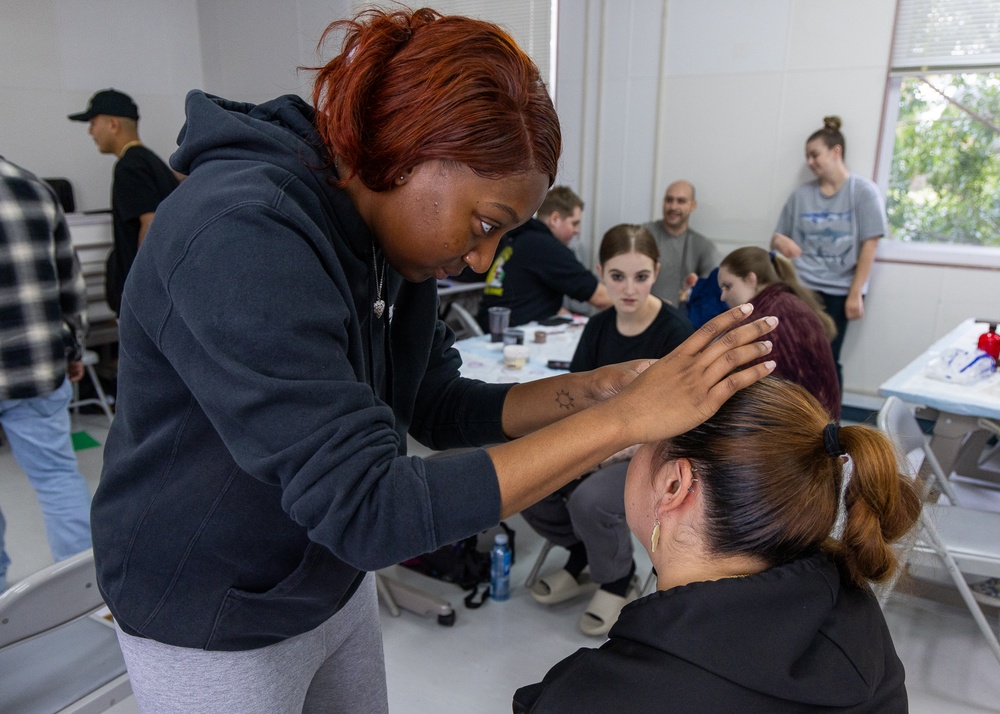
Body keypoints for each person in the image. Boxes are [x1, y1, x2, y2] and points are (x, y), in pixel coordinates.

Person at [89, 9, 776, 712]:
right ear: (408, 152)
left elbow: (437, 401)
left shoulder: (391, 248)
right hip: (211, 609)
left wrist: (601, 391)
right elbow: (367, 506)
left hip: (325, 578)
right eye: (484, 225)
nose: (480, 258)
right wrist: (628, 419)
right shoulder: (237, 233)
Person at [514, 377, 921, 713]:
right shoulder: (854, 608)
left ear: (674, 484)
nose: (629, 455)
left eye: (642, 443)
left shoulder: (595, 695)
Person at [523, 224, 694, 636]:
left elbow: (682, 421)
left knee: (590, 501)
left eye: (641, 277)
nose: (629, 289)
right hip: (602, 439)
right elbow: (579, 394)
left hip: (657, 450)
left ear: (656, 270)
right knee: (531, 482)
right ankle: (583, 555)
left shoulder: (675, 332)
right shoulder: (598, 327)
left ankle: (617, 578)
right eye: (617, 277)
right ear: (600, 271)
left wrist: (606, 453)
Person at [0, 155, 93, 591]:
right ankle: (84, 595)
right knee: (57, 477)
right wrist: (73, 346)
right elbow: (69, 283)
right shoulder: (32, 187)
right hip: (36, 364)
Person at [771, 116, 888, 388]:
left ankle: (830, 424)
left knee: (828, 358)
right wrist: (781, 243)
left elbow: (871, 243)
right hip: (803, 287)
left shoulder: (863, 192)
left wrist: (856, 292)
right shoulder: (800, 196)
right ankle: (798, 420)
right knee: (795, 356)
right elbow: (777, 238)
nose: (810, 162)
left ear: (836, 152)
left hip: (839, 289)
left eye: (815, 155)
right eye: (807, 157)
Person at [68, 88, 180, 315]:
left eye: (93, 123)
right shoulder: (152, 162)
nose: (91, 132)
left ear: (113, 125)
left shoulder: (129, 166)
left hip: (145, 301)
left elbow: (150, 222)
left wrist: (141, 289)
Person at [718, 246, 841, 419]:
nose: (723, 297)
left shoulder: (760, 324)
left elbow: (754, 409)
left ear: (751, 279)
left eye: (727, 286)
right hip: (824, 428)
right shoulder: (792, 302)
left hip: (803, 435)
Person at [477, 185, 612, 328]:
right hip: (514, 334)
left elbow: (537, 300)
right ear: (555, 219)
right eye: (574, 223)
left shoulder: (521, 239)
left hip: (493, 327)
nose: (577, 231)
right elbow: (600, 297)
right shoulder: (546, 247)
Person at [643, 180, 720, 306]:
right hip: (642, 316)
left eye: (681, 201)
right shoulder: (642, 236)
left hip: (684, 321)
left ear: (693, 205)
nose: (673, 207)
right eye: (669, 200)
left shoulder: (704, 246)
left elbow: (711, 294)